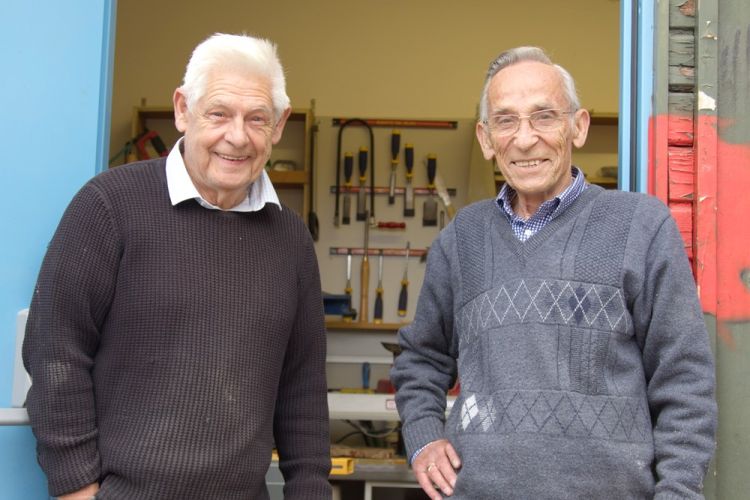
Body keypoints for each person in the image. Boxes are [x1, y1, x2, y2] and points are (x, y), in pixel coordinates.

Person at [391, 46, 717, 499]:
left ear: (577, 126)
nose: (525, 139)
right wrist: (424, 436)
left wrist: (678, 492)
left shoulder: (640, 226)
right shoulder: (462, 237)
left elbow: (684, 380)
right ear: (486, 139)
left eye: (544, 116)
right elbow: (420, 359)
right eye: (506, 121)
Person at [23, 33, 331, 499]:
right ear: (183, 109)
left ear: (280, 124)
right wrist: (76, 488)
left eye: (256, 118)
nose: (237, 136)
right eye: (219, 113)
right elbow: (55, 353)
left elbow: (302, 387)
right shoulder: (108, 207)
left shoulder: (290, 238)